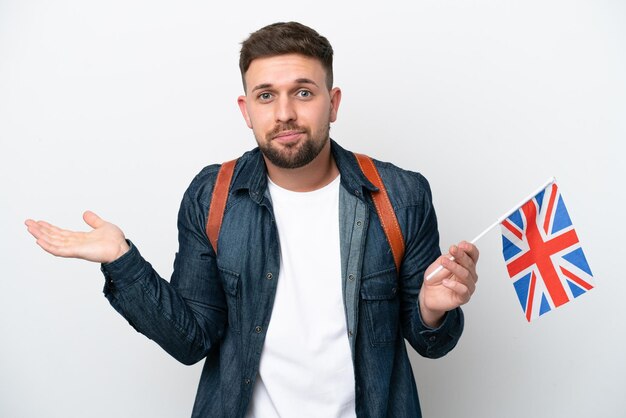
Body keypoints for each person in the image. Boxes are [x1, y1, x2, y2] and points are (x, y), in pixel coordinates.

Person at [25, 21, 479, 418]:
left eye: (303, 92)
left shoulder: (400, 195)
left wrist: (432, 309)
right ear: (246, 110)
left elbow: (431, 343)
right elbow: (191, 341)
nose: (285, 113)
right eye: (267, 96)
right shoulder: (212, 195)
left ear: (333, 102)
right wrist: (122, 260)